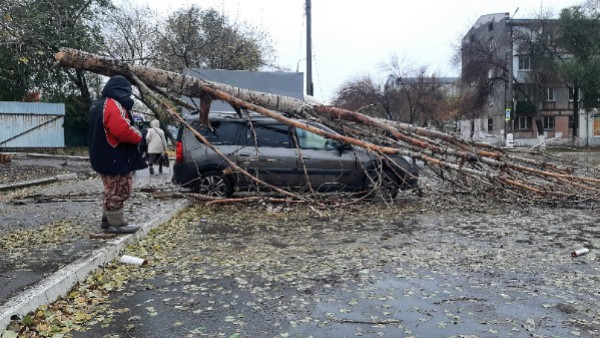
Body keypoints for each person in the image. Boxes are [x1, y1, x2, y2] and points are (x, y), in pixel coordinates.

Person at [88, 75, 147, 234]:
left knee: (110, 188)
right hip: (113, 155)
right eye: (127, 93)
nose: (128, 97)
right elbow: (121, 130)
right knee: (119, 189)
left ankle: (107, 221)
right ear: (120, 90)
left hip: (101, 154)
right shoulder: (113, 105)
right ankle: (117, 224)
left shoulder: (98, 104)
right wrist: (138, 136)